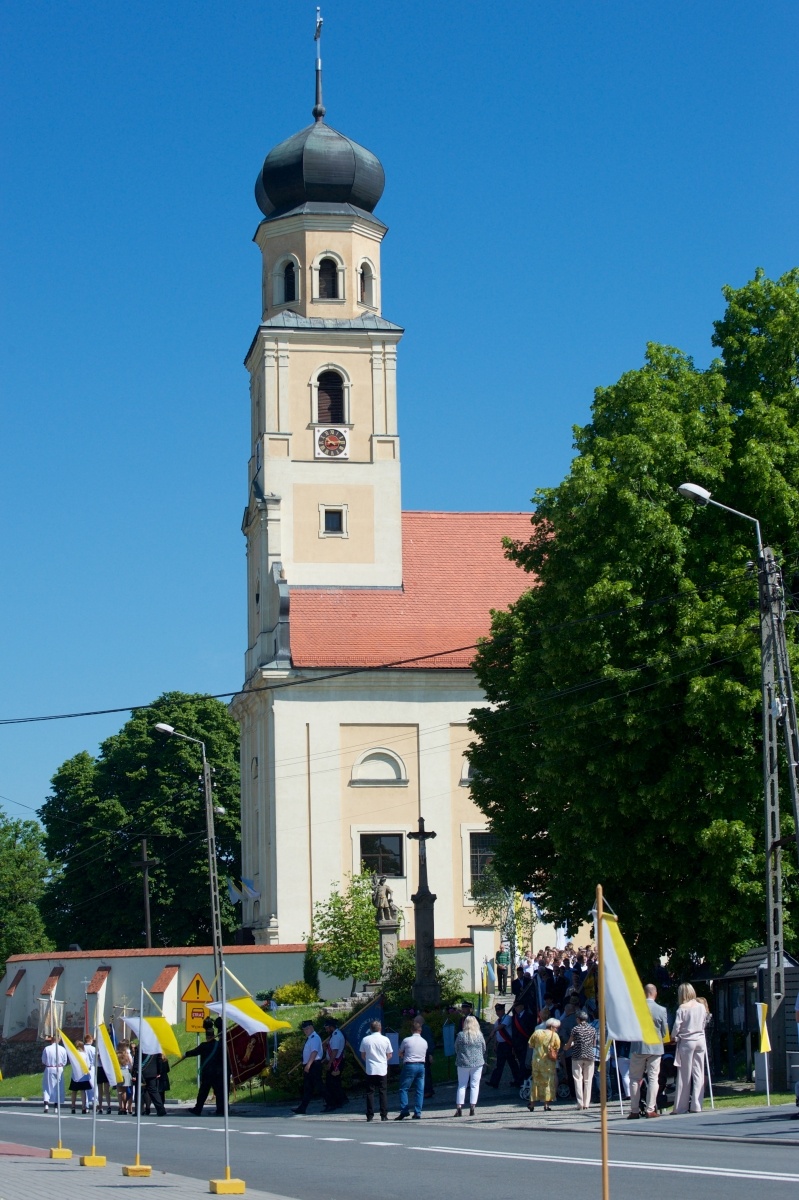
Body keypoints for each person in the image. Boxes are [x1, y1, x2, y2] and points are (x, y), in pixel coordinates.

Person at [628, 983, 668, 1119]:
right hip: (655, 1048)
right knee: (653, 1079)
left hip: (638, 1047)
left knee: (634, 1078)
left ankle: (634, 1110)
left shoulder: (635, 1009)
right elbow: (664, 1032)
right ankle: (650, 1109)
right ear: (655, 993)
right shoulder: (661, 1010)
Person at [672, 983, 707, 1114]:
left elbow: (676, 1027)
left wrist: (673, 1036)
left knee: (684, 1075)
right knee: (698, 1073)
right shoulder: (701, 1006)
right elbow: (704, 1022)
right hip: (700, 1039)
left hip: (687, 1041)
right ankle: (697, 1105)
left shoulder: (682, 1008)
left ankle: (681, 1107)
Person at [178, 1019, 225, 1116]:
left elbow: (194, 1052)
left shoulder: (204, 1046)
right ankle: (221, 1110)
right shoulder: (219, 1045)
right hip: (217, 1073)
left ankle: (198, 1109)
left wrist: (185, 1054)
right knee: (219, 1093)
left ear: (207, 1036)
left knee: (203, 1092)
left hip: (207, 1073)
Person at [359, 1018, 393, 1122]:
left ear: (370, 1029)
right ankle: (384, 1114)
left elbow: (363, 1055)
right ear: (380, 1028)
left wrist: (369, 1060)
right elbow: (390, 1054)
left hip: (370, 1068)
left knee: (370, 1092)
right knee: (383, 1091)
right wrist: (383, 1060)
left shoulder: (365, 1039)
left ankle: (370, 1115)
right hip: (382, 1068)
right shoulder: (385, 1039)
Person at [562, 1010, 596, 1110]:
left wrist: (566, 1047)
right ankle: (586, 1103)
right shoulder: (592, 1029)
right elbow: (593, 1044)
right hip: (589, 1056)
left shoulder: (575, 1029)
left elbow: (569, 1043)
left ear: (578, 1019)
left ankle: (580, 1103)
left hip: (577, 1056)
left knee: (578, 1079)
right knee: (588, 1080)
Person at [395, 1018, 428, 1120]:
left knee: (404, 1088)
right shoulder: (424, 1042)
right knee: (419, 1090)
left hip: (410, 1065)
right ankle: (417, 1112)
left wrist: (403, 1055)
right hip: (421, 1066)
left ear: (411, 1030)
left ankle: (404, 1110)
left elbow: (400, 1053)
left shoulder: (406, 1040)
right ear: (420, 1031)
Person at [454, 1014, 486, 1116]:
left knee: (462, 1085)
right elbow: (483, 1048)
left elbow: (456, 1048)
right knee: (474, 1085)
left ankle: (459, 1106)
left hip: (463, 1062)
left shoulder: (460, 1035)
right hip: (477, 1063)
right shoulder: (479, 1035)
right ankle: (472, 1106)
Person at [527, 1018, 561, 1112]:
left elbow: (530, 1045)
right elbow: (557, 1048)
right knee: (548, 1083)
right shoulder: (555, 1035)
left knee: (535, 1082)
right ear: (551, 1027)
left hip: (537, 1061)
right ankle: (546, 1105)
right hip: (548, 1063)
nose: (557, 1029)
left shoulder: (537, 1032)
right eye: (556, 1027)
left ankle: (532, 1104)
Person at [486, 1002, 522, 1088]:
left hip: (508, 1044)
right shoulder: (497, 1022)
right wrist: (495, 1044)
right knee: (499, 1064)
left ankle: (518, 1080)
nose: (498, 1013)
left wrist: (494, 1030)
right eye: (497, 1011)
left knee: (512, 1063)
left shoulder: (507, 1018)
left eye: (500, 1010)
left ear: (503, 1010)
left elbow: (501, 1027)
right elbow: (498, 1035)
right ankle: (494, 1082)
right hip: (501, 1045)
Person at [292, 1019, 324, 1114]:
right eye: (304, 1029)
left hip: (313, 1065)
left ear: (312, 1028)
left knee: (319, 1086)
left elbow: (314, 1052)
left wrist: (308, 1065)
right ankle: (302, 1108)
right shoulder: (310, 1038)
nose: (305, 1031)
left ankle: (332, 1102)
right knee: (308, 1087)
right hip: (310, 1064)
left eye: (307, 1029)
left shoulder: (314, 1037)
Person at [322, 1017, 348, 1112]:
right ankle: (341, 1100)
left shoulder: (336, 1036)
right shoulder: (334, 1035)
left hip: (336, 1062)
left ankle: (334, 1103)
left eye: (326, 1028)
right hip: (334, 1061)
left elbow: (335, 1051)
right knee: (335, 1083)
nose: (326, 1030)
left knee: (331, 1083)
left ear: (331, 1027)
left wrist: (329, 1062)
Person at [41, 1035, 67, 1113]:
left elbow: (43, 1060)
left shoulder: (47, 1048)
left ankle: (46, 1104)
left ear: (52, 1040)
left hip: (49, 1068)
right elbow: (65, 1061)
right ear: (58, 1040)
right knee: (58, 1087)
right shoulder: (62, 1049)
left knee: (47, 1086)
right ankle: (56, 1107)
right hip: (59, 1068)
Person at [70, 1040, 91, 1114]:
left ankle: (73, 1107)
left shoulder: (73, 1054)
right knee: (83, 1091)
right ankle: (83, 1107)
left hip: (75, 1075)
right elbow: (88, 1065)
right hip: (83, 1075)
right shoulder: (84, 1055)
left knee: (74, 1091)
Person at [117, 1040, 133, 1114]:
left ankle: (121, 1107)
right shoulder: (127, 1054)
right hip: (126, 1071)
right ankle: (125, 1106)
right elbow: (131, 1064)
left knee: (120, 1091)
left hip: (119, 1072)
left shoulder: (117, 1054)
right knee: (125, 1091)